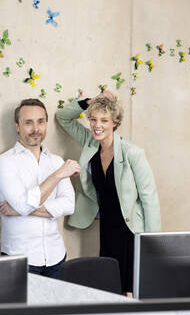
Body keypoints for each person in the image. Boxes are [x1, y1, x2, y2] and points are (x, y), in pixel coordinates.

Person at [55, 91, 161, 293]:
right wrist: (89, 102)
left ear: (115, 123)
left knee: (137, 286)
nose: (97, 125)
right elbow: (63, 117)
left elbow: (149, 198)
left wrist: (152, 242)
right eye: (93, 119)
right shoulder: (89, 141)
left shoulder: (132, 153)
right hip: (108, 229)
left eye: (104, 120)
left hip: (132, 230)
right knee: (113, 286)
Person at [0, 98, 79, 278]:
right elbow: (23, 205)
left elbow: (69, 205)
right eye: (28, 123)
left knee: (55, 307)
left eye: (41, 122)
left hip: (56, 256)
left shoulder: (56, 161)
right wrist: (57, 175)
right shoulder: (4, 162)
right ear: (17, 126)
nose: (36, 129)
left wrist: (19, 210)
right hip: (20, 259)